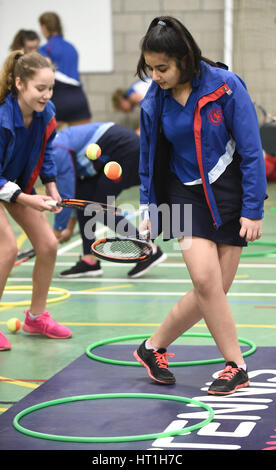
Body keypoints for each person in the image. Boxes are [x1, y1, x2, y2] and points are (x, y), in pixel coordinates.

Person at [132, 17, 267, 395]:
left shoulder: (226, 86)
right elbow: (149, 156)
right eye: (151, 68)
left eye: (163, 68)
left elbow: (253, 151)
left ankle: (152, 347)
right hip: (183, 193)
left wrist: (253, 208)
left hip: (230, 193)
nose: (156, 76)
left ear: (184, 59)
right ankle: (236, 365)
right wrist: (148, 206)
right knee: (206, 282)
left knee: (215, 290)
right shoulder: (154, 99)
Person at [0, 50, 72, 351]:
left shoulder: (46, 113)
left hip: (17, 185)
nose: (46, 95)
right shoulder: (2, 117)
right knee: (7, 247)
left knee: (48, 245)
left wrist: (52, 186)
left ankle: (36, 317)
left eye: (50, 88)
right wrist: (27, 198)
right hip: (10, 186)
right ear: (19, 83)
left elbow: (47, 152)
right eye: (40, 89)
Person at [51, 122, 167, 278]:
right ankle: (89, 260)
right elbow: (75, 198)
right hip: (113, 155)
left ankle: (148, 250)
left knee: (99, 207)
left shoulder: (57, 152)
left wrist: (55, 233)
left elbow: (65, 195)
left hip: (127, 152)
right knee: (85, 198)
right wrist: (69, 228)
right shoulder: (56, 148)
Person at [38, 11, 91, 129]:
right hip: (78, 97)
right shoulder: (71, 48)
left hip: (58, 97)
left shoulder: (45, 49)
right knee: (84, 142)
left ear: (44, 27)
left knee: (49, 143)